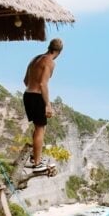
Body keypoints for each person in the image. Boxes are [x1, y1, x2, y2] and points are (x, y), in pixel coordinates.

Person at [23, 38, 62, 172]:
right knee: (41, 129)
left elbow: (25, 80)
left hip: (27, 94)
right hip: (37, 96)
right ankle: (37, 163)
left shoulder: (35, 59)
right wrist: (47, 105)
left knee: (37, 127)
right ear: (59, 52)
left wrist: (32, 90)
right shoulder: (50, 62)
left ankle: (35, 157)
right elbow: (43, 84)